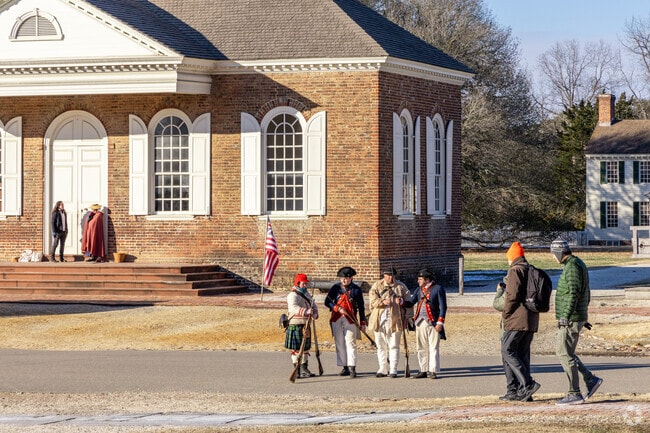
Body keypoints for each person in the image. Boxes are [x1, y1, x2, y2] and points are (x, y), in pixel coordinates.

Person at [551, 238, 603, 405]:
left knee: (564, 353)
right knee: (568, 353)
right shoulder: (575, 263)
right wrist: (583, 315)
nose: (553, 257)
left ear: (559, 253)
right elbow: (585, 292)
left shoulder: (572, 266)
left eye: (553, 254)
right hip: (576, 316)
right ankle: (590, 380)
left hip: (571, 318)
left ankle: (574, 393)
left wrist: (566, 315)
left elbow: (575, 293)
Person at [500, 242, 541, 402]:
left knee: (507, 350)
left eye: (509, 258)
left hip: (517, 319)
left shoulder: (515, 270)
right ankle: (524, 391)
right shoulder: (530, 269)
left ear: (513, 257)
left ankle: (528, 384)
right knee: (522, 354)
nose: (508, 261)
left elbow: (512, 296)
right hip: (531, 318)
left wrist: (506, 313)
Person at [368, 267, 411, 378]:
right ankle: (382, 368)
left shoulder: (400, 287)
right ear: (384, 275)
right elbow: (372, 302)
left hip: (395, 320)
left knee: (394, 345)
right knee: (381, 345)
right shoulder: (377, 285)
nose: (389, 278)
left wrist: (402, 304)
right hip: (379, 320)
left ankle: (393, 369)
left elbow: (409, 302)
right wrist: (382, 302)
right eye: (387, 275)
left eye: (391, 275)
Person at [324, 266, 366, 378]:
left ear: (351, 278)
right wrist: (336, 308)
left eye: (346, 278)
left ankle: (352, 367)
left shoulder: (356, 290)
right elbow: (327, 302)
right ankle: (344, 366)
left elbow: (361, 307)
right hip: (336, 318)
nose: (343, 280)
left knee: (351, 343)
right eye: (342, 278)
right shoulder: (335, 288)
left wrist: (362, 322)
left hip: (350, 319)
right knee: (339, 343)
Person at [405, 269, 446, 379]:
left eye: (420, 279)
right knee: (421, 347)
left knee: (433, 347)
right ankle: (423, 370)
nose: (418, 281)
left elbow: (443, 307)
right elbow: (411, 302)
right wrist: (401, 302)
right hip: (420, 321)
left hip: (433, 322)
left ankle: (433, 370)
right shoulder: (419, 290)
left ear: (427, 279)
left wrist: (440, 322)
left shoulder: (438, 289)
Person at [285, 273, 318, 378]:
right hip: (296, 325)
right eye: (304, 283)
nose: (305, 286)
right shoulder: (292, 295)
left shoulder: (307, 294)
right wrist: (307, 311)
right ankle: (297, 369)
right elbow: (293, 308)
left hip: (306, 325)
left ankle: (304, 368)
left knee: (305, 348)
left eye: (306, 284)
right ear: (298, 283)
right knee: (296, 349)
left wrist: (315, 313)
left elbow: (313, 305)